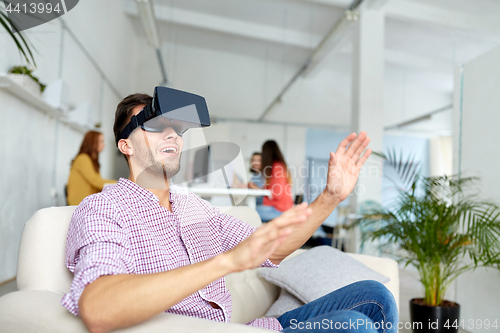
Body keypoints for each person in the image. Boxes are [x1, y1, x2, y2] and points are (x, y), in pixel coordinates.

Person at [62, 88, 397, 333]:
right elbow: (98, 307)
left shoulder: (194, 206)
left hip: (253, 327)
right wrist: (226, 262)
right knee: (354, 325)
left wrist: (330, 196)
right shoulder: (104, 208)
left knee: (376, 296)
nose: (172, 135)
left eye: (176, 129)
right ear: (125, 145)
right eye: (153, 126)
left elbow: (272, 250)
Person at [66, 131, 116, 206]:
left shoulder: (92, 161)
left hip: (87, 202)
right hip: (78, 204)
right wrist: (117, 183)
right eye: (101, 141)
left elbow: (97, 184)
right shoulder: (83, 158)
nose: (104, 145)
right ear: (93, 143)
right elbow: (95, 181)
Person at [256, 140, 293, 222]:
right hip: (281, 208)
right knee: (249, 210)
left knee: (248, 212)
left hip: (279, 210)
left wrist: (260, 190)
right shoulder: (279, 166)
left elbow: (277, 194)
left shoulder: (277, 167)